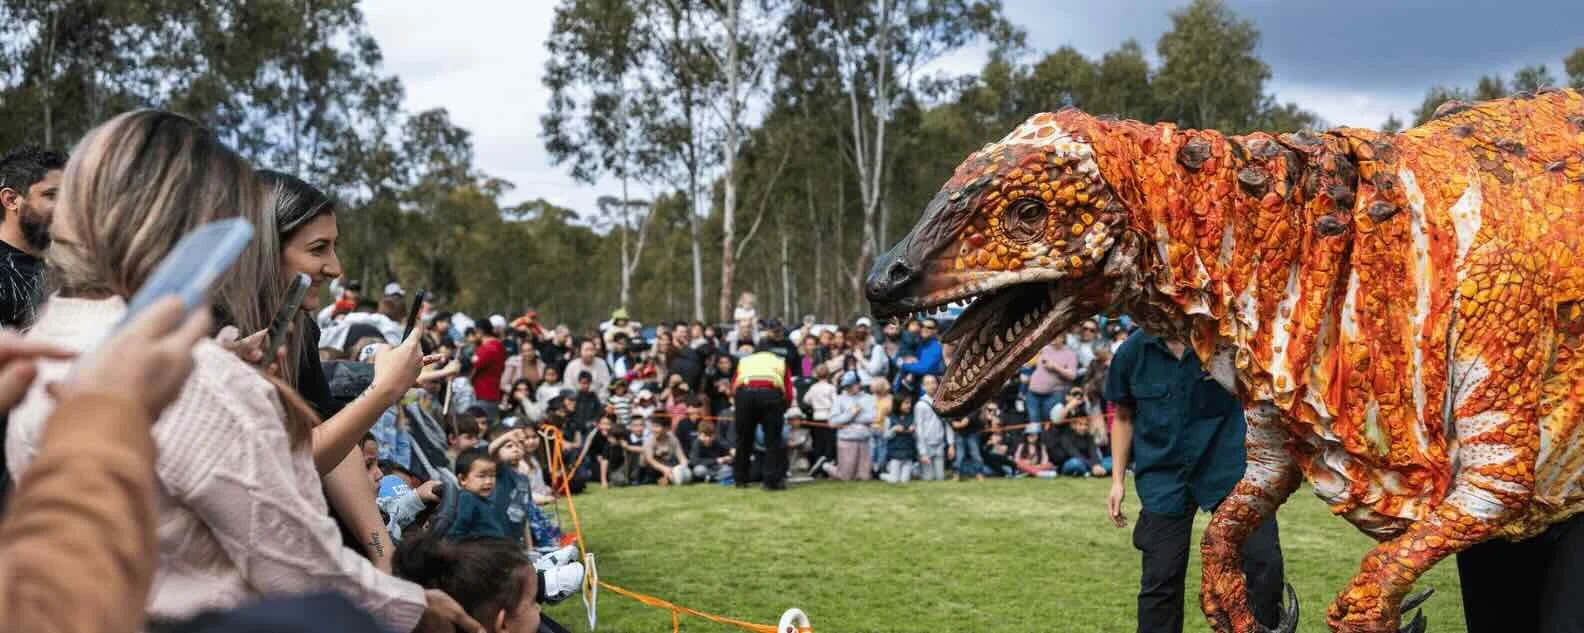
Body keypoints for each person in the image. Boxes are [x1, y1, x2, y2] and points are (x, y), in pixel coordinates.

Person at [2, 110, 479, 633]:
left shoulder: (43, 345)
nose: (335, 268)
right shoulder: (200, 375)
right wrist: (414, 608)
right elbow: (301, 567)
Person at [1105, 328, 1284, 633]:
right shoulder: (1131, 353)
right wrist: (1117, 481)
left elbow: (1264, 392)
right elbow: (1123, 417)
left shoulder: (1225, 341)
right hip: (1164, 475)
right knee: (1161, 577)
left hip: (1229, 467)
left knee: (1263, 563)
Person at [731, 341, 794, 490]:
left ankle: (740, 479)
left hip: (745, 395)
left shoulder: (744, 361)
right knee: (773, 440)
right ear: (771, 352)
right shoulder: (780, 361)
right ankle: (770, 481)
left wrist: (738, 403)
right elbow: (788, 389)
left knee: (743, 440)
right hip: (770, 395)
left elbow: (734, 384)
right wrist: (784, 407)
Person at [822, 371, 876, 481]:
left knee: (864, 477)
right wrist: (851, 413)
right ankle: (826, 466)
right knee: (845, 477)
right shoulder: (839, 399)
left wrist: (849, 420)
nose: (849, 388)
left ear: (859, 383)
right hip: (846, 439)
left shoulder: (869, 398)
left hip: (864, 439)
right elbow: (832, 422)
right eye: (847, 386)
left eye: (852, 385)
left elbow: (872, 418)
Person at [913, 375, 954, 482]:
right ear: (923, 387)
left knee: (940, 478)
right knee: (928, 478)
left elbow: (948, 424)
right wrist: (922, 452)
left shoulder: (943, 402)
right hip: (926, 444)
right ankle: (915, 469)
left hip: (940, 443)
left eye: (933, 382)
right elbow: (919, 428)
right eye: (928, 383)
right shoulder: (920, 405)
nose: (931, 386)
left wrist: (951, 444)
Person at [470, 319, 507, 422]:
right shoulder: (499, 345)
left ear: (479, 331)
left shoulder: (487, 349)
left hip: (483, 393)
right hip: (494, 392)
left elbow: (472, 368)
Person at [641, 417, 691, 486]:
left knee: (685, 472)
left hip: (669, 466)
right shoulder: (650, 441)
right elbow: (650, 460)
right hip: (652, 469)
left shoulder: (673, 439)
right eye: (653, 426)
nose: (654, 430)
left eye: (657, 427)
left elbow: (681, 457)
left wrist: (683, 467)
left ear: (666, 429)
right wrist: (664, 469)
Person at [880, 395, 917, 484]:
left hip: (908, 453)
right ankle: (881, 475)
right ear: (898, 404)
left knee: (905, 481)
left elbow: (916, 437)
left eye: (910, 403)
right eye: (906, 403)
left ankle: (909, 472)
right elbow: (885, 436)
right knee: (894, 480)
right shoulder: (889, 418)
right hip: (895, 453)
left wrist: (914, 430)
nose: (909, 405)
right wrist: (894, 429)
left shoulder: (912, 417)